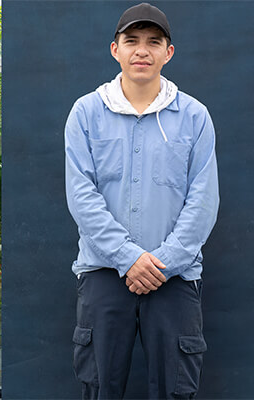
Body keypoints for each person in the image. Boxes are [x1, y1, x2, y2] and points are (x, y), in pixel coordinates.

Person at [64, 3, 219, 399]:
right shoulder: (85, 113)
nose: (142, 51)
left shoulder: (195, 117)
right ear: (114, 49)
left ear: (169, 53)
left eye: (154, 42)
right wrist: (127, 257)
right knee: (100, 388)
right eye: (131, 41)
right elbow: (82, 196)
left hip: (176, 276)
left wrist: (162, 262)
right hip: (103, 274)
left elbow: (203, 201)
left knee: (175, 391)